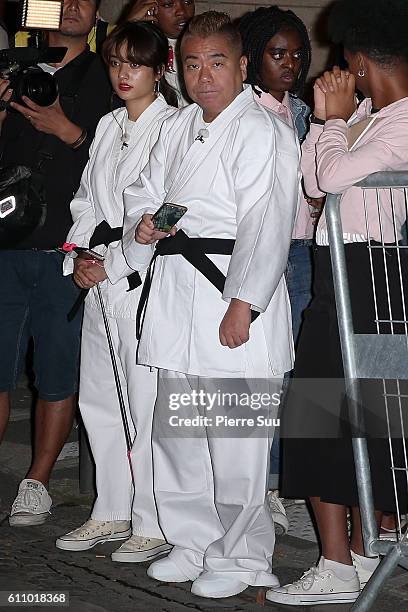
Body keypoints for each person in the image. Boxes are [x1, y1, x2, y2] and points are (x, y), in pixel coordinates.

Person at [122, 11, 300, 599]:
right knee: (179, 433)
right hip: (176, 289)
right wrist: (143, 227)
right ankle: (192, 541)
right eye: (193, 64)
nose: (204, 77)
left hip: (230, 286)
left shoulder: (262, 129)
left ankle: (245, 559)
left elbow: (268, 219)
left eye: (217, 62)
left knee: (235, 441)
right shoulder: (177, 127)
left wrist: (244, 302)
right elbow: (145, 190)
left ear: (242, 66)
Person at [266, 0, 408, 606]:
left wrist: (330, 123)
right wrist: (333, 120)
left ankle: (339, 559)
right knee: (327, 418)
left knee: (345, 423)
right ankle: (344, 556)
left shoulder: (401, 121)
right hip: (338, 273)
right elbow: (312, 180)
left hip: (373, 276)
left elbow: (330, 179)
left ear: (357, 58)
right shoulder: (371, 115)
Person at [55, 21, 177, 562]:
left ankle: (153, 519)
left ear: (159, 68)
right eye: (116, 62)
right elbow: (85, 199)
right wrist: (81, 255)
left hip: (142, 276)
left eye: (136, 63)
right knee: (99, 397)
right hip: (98, 274)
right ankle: (110, 509)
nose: (125, 73)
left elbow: (164, 212)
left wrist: (118, 262)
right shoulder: (106, 125)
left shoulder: (174, 125)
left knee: (144, 403)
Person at [0, 0, 112, 526]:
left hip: (66, 249)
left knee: (55, 373)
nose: (70, 7)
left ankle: (37, 482)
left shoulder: (107, 75)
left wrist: (65, 129)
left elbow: (122, 164)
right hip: (5, 243)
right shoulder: (15, 68)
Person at [239, 4, 318, 535]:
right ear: (253, 57)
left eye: (296, 54)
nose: (288, 64)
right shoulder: (243, 112)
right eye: (277, 53)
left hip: (306, 253)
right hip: (261, 254)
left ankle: (286, 477)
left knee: (298, 372)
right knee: (260, 371)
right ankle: (259, 484)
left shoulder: (306, 111)